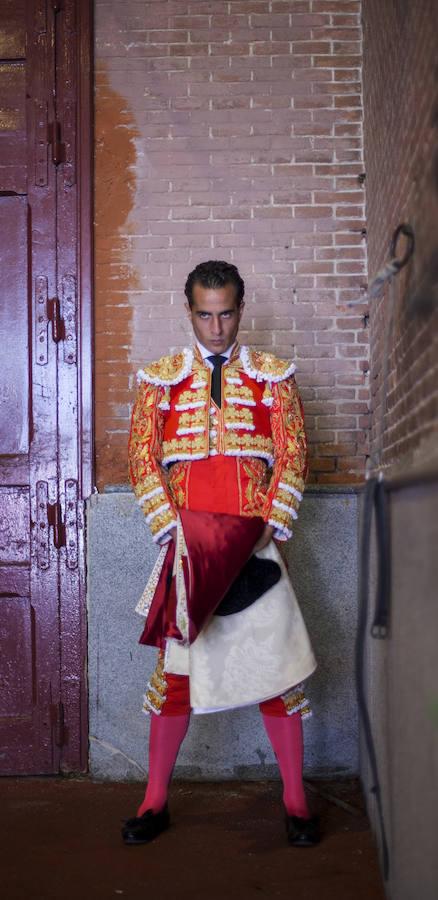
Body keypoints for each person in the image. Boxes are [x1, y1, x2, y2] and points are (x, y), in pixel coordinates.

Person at [123, 260, 319, 847]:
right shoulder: (159, 380)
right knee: (176, 676)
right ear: (189, 311)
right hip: (189, 551)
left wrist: (269, 526)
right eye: (204, 315)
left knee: (278, 675)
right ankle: (154, 799)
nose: (216, 327)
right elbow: (140, 459)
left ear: (241, 308)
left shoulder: (272, 377)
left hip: (253, 546)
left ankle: (296, 799)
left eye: (226, 313)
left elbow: (294, 454)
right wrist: (171, 532)